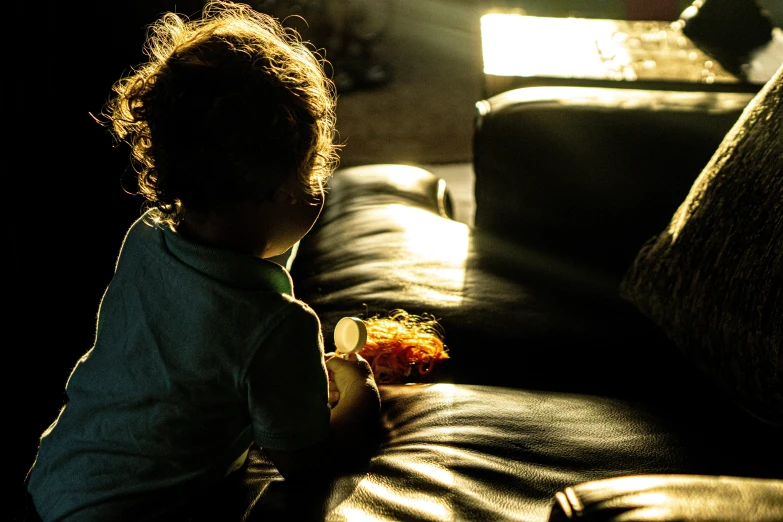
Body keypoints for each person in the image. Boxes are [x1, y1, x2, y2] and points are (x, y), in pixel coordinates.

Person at [24, 1, 381, 520]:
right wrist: (361, 399)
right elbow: (305, 458)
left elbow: (245, 265)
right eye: (314, 174)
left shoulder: (147, 239)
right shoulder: (278, 325)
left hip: (55, 477)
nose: (319, 189)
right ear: (281, 190)